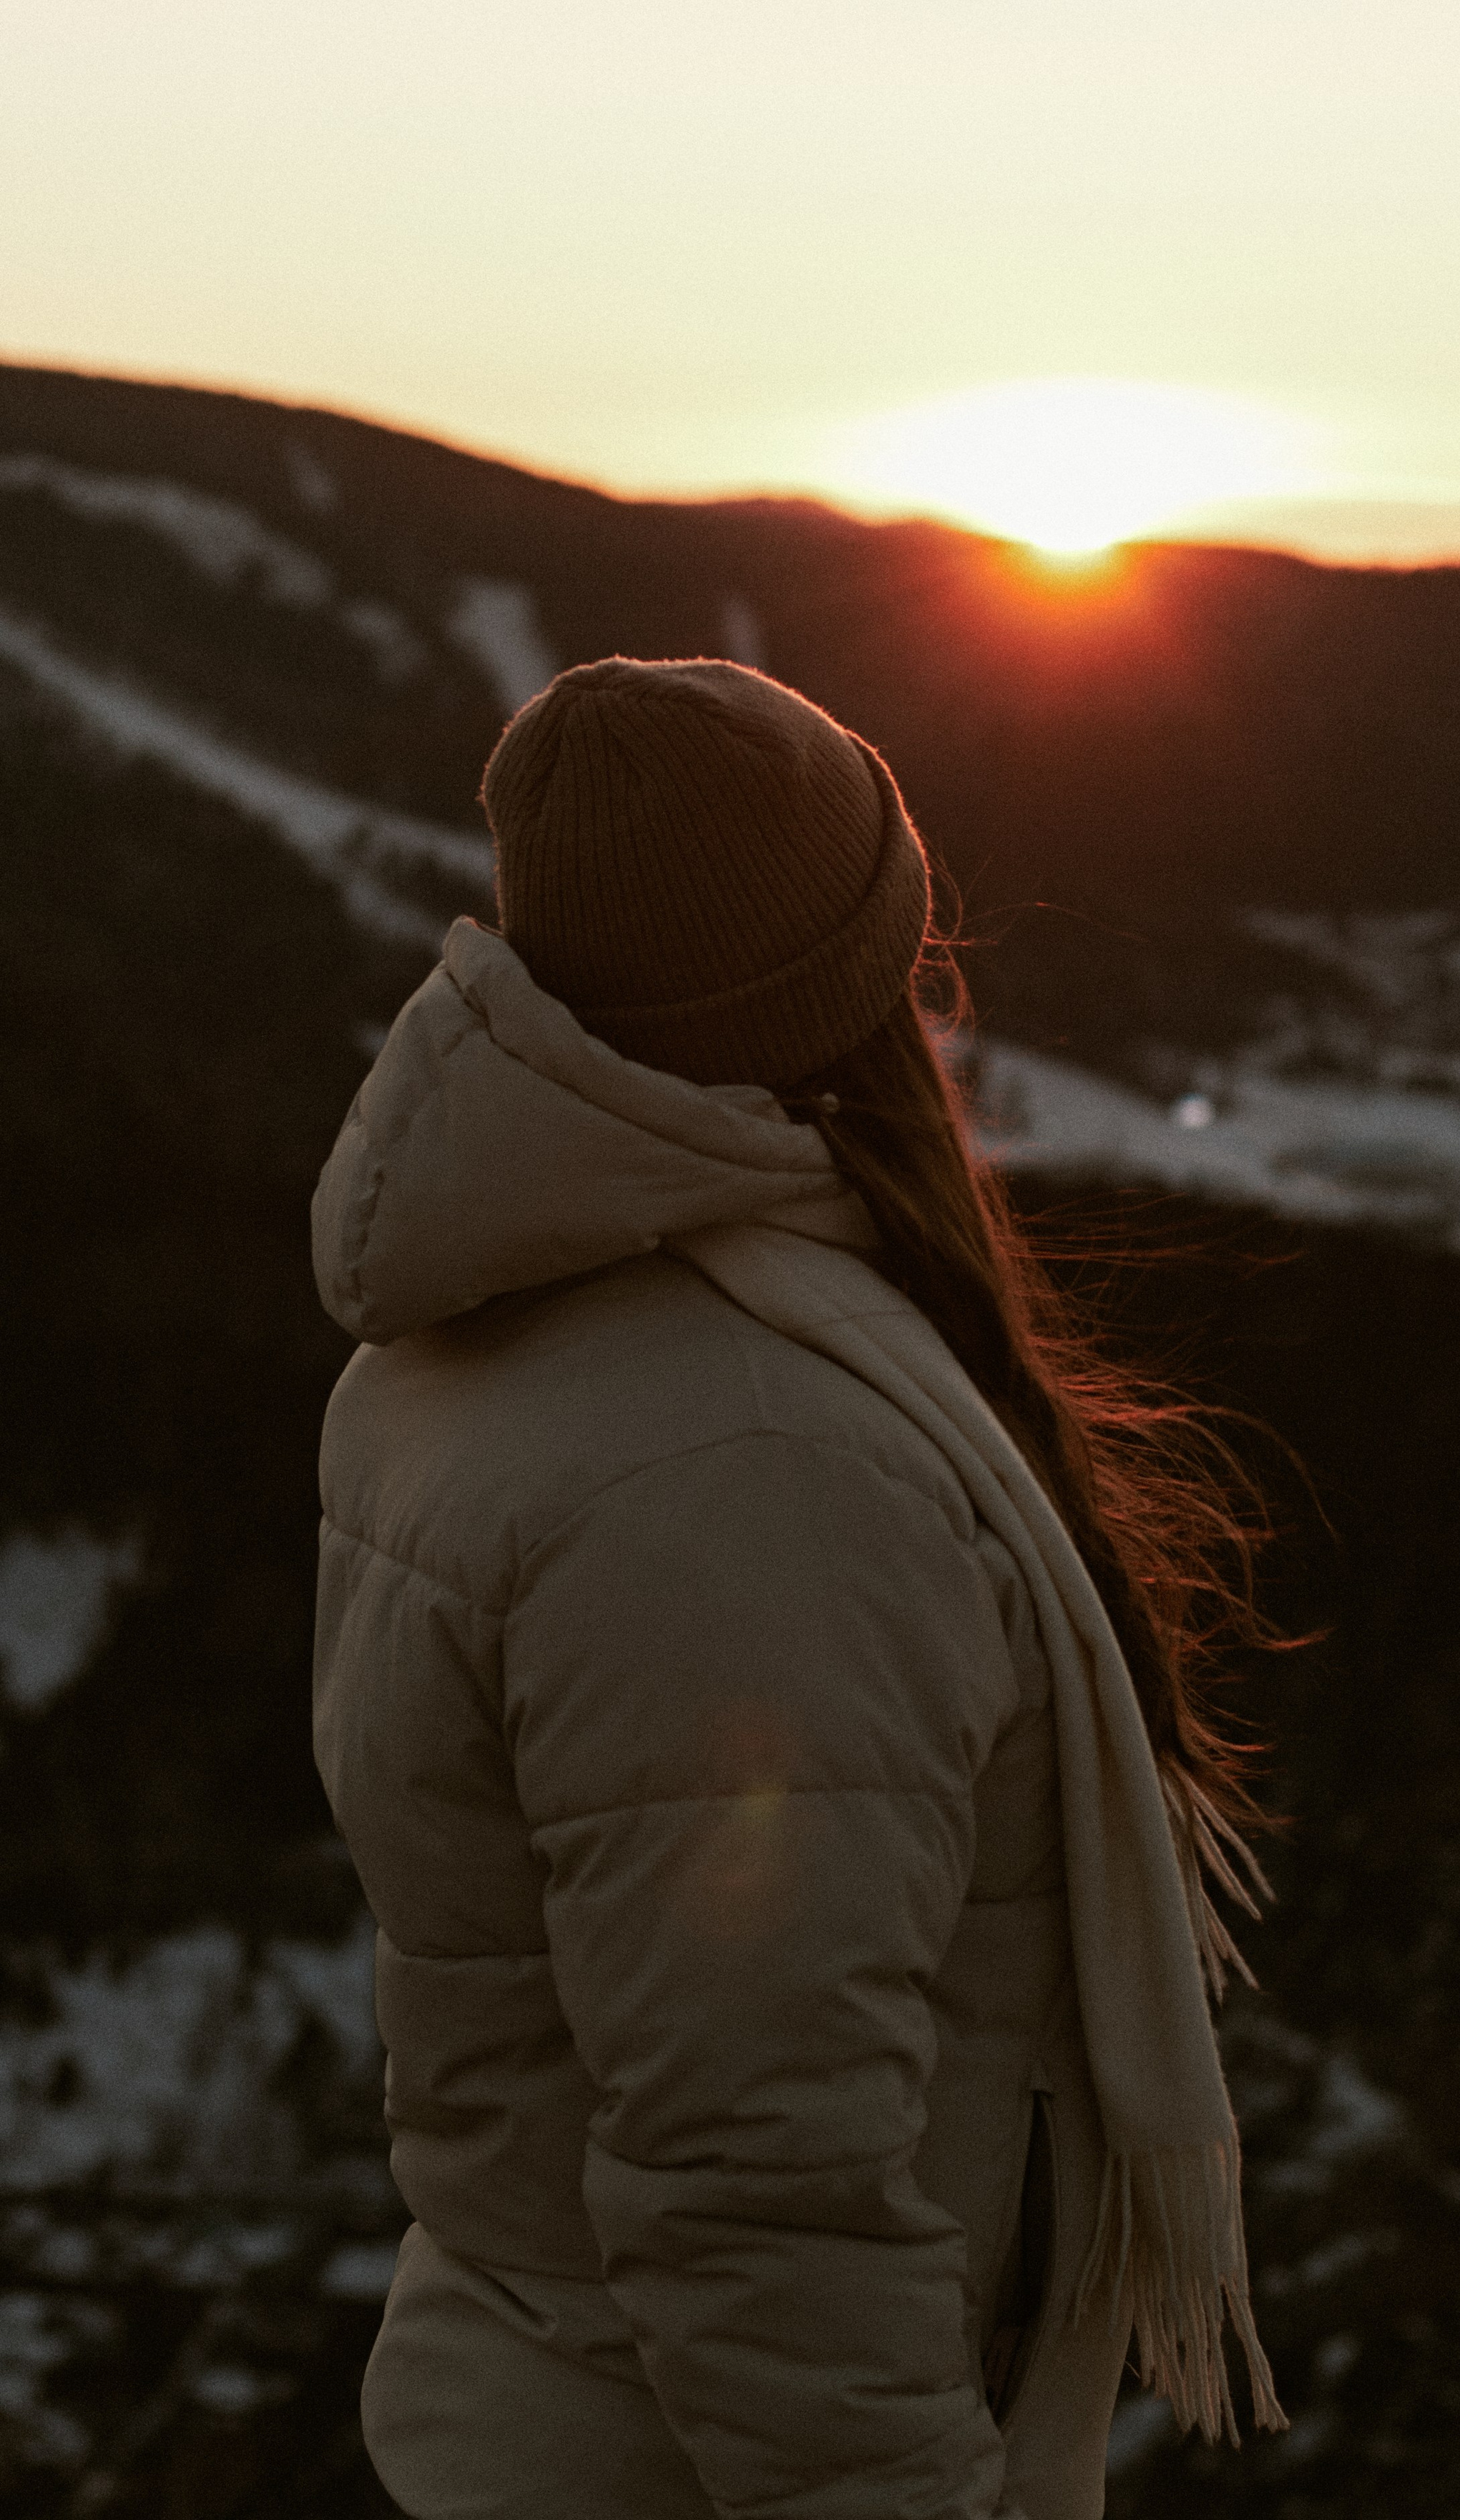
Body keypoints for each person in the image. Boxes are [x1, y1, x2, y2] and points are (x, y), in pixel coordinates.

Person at [310, 656, 1285, 2520]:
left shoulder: (501, 1314)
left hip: (542, 2405)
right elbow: (760, 2179)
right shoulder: (754, 1469)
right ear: (854, 985)